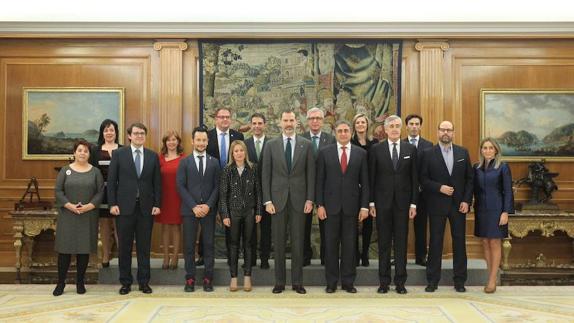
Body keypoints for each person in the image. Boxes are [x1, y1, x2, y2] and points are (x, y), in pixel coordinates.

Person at [262, 110, 315, 294]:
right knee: (278, 243)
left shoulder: (306, 145)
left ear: (297, 122)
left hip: (300, 201)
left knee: (298, 242)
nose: (289, 123)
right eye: (285, 120)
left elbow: (311, 174)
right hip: (276, 201)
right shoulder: (270, 145)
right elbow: (265, 175)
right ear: (280, 122)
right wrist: (267, 200)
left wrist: (310, 199)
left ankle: (298, 282)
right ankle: (279, 282)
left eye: (291, 120)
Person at [315, 120, 369, 294]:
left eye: (346, 130)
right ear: (335, 132)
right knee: (330, 246)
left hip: (352, 208)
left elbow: (365, 183)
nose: (343, 133)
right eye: (340, 131)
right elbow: (319, 181)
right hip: (330, 208)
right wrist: (320, 205)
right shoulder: (325, 153)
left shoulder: (361, 154)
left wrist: (364, 207)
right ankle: (331, 282)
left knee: (349, 246)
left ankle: (347, 282)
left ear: (350, 132)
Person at [108, 123, 161, 295]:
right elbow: (111, 182)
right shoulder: (119, 154)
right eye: (136, 133)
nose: (139, 136)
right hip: (124, 208)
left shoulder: (153, 156)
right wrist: (112, 204)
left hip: (146, 208)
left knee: (144, 247)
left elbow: (157, 183)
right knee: (124, 247)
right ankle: (125, 282)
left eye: (142, 133)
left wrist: (157, 204)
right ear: (129, 136)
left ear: (145, 136)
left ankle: (144, 282)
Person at [420, 120, 473, 293]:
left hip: (459, 206)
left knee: (459, 243)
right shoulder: (428, 153)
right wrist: (439, 187)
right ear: (437, 132)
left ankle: (459, 281)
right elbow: (423, 180)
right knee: (435, 242)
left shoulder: (462, 152)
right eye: (443, 129)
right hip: (436, 204)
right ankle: (432, 281)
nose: (446, 132)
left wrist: (466, 201)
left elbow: (469, 180)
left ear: (453, 133)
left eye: (449, 130)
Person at [369, 115, 418, 294]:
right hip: (382, 204)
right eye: (392, 126)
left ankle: (400, 282)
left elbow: (414, 179)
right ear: (386, 129)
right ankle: (383, 282)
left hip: (403, 205)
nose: (395, 129)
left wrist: (413, 204)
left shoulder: (410, 149)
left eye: (398, 126)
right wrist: (371, 202)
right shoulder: (376, 149)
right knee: (383, 244)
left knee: (400, 243)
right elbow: (371, 178)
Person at [53, 140, 104, 296]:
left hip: (87, 215)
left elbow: (100, 192)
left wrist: (89, 206)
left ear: (89, 154)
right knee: (64, 251)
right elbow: (58, 191)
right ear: (74, 153)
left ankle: (80, 282)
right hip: (68, 215)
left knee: (83, 250)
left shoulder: (95, 172)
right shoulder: (65, 170)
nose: (82, 153)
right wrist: (69, 205)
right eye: (80, 150)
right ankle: (60, 283)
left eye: (86, 151)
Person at [177, 126, 221, 292]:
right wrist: (194, 206)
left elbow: (217, 186)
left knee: (209, 245)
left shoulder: (214, 162)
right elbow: (180, 186)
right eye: (198, 140)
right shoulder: (184, 162)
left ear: (207, 142)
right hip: (190, 210)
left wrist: (208, 205)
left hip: (208, 210)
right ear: (192, 141)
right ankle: (190, 279)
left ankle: (208, 279)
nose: (201, 143)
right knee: (189, 246)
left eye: (204, 140)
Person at [219, 140, 262, 292]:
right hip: (233, 212)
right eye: (236, 151)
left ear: (245, 152)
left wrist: (258, 211)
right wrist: (224, 214)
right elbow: (223, 195)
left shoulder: (253, 168)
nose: (239, 153)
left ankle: (248, 277)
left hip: (249, 212)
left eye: (241, 150)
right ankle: (234, 278)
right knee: (233, 245)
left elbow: (258, 192)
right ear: (232, 153)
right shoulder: (227, 170)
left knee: (249, 244)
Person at [473, 137, 514, 294]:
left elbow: (508, 191)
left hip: (497, 210)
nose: (488, 150)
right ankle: (491, 276)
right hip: (481, 210)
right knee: (485, 242)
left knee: (495, 242)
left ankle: (492, 280)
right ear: (481, 150)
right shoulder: (476, 167)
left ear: (496, 150)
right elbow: (473, 188)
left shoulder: (502, 167)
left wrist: (505, 212)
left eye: (491, 148)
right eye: (485, 148)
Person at [207, 107, 244, 264]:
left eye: (227, 117)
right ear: (216, 119)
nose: (224, 120)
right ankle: (204, 255)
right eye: (221, 117)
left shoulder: (238, 135)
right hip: (210, 185)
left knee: (232, 222)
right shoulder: (207, 136)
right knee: (208, 222)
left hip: (232, 186)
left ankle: (232, 256)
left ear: (231, 119)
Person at [301, 107, 336, 266]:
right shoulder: (300, 139)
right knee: (303, 226)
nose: (315, 121)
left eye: (318, 118)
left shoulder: (331, 139)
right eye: (312, 118)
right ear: (307, 121)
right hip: (304, 189)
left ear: (323, 121)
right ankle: (304, 257)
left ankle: (325, 259)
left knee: (326, 228)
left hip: (326, 189)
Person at [89, 119, 121, 268]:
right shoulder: (95, 150)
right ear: (102, 132)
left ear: (116, 132)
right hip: (102, 193)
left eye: (112, 130)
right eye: (106, 130)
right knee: (105, 227)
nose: (109, 133)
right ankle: (106, 256)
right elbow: (92, 173)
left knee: (120, 227)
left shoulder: (123, 149)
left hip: (119, 193)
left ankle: (123, 257)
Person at [403, 114, 434, 266]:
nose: (414, 126)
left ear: (420, 126)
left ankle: (421, 256)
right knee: (400, 225)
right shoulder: (399, 143)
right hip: (402, 192)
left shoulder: (429, 145)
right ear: (406, 126)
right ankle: (399, 256)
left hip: (423, 193)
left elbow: (430, 169)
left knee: (421, 226)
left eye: (417, 124)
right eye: (411, 123)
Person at [245, 112, 272, 269]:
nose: (256, 126)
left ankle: (264, 259)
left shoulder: (272, 143)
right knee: (250, 228)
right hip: (249, 193)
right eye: (254, 123)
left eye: (259, 123)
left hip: (268, 193)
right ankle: (251, 259)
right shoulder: (244, 144)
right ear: (250, 125)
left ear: (265, 125)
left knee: (266, 228)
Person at [350, 113, 378, 267]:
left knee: (368, 224)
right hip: (353, 188)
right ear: (354, 125)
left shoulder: (374, 143)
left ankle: (365, 254)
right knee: (352, 223)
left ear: (367, 125)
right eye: (358, 122)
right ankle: (355, 254)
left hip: (369, 187)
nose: (360, 125)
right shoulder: (350, 142)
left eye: (363, 122)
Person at [156, 130, 184, 270]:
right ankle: (165, 257)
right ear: (165, 142)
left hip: (178, 197)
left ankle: (175, 257)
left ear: (178, 142)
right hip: (164, 196)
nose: (171, 142)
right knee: (165, 227)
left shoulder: (184, 158)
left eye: (174, 140)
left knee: (176, 227)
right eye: (169, 140)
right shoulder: (159, 158)